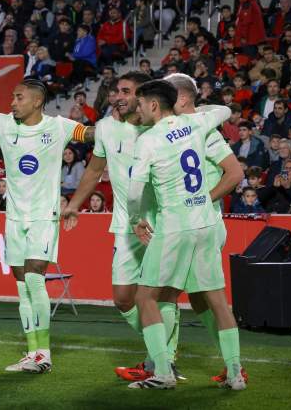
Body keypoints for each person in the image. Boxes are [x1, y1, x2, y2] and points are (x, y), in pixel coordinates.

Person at [0, 53, 93, 374]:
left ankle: (45, 354)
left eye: (18, 96)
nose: (12, 102)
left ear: (38, 101)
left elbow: (93, 135)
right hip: (14, 218)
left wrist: (125, 126)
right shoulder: (1, 124)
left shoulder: (59, 127)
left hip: (43, 216)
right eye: (12, 96)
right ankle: (32, 352)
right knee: (21, 284)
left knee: (35, 277)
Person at [126, 79, 245, 390]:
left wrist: (136, 219)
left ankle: (162, 372)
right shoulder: (197, 125)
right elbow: (224, 110)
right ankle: (235, 374)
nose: (138, 108)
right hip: (205, 222)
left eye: (142, 103)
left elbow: (135, 189)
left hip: (176, 225)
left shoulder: (149, 139)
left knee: (146, 297)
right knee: (215, 300)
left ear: (154, 105)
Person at [62, 72, 179, 381]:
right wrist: (74, 204)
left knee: (160, 295)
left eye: (126, 91)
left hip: (162, 223)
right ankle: (160, 352)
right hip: (126, 226)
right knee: (123, 297)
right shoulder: (105, 128)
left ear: (143, 97)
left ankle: (162, 361)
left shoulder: (160, 127)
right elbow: (95, 169)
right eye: (115, 91)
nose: (117, 96)